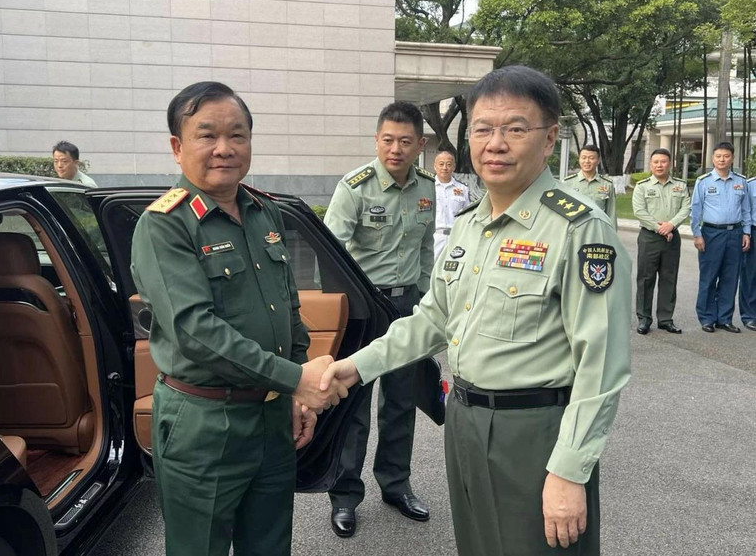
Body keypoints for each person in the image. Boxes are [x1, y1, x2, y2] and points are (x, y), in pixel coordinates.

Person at [320, 65, 631, 556]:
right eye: (484, 129)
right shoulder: (468, 225)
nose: (496, 143)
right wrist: (355, 368)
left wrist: (570, 470)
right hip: (463, 422)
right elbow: (433, 320)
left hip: (534, 434)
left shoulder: (578, 230)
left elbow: (603, 364)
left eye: (514, 128)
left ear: (549, 139)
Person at [130, 81, 346, 556]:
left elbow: (288, 308)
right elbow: (196, 333)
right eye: (207, 135)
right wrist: (296, 379)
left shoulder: (264, 210)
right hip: (203, 422)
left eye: (238, 135)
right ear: (177, 146)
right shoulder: (164, 224)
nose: (224, 149)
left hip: (270, 416)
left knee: (270, 545)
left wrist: (296, 395)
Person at [322, 101, 435, 537]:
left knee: (401, 403)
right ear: (376, 139)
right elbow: (332, 254)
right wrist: (348, 309)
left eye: (405, 141)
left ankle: (395, 484)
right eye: (388, 140)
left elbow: (426, 248)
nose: (395, 149)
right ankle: (345, 495)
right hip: (365, 309)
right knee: (354, 406)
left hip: (407, 305)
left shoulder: (427, 187)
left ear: (419, 144)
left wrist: (425, 299)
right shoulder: (356, 187)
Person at [690, 141, 752, 333]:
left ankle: (724, 318)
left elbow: (746, 209)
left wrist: (747, 232)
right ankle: (707, 318)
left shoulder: (741, 182)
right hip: (711, 233)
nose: (722, 159)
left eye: (726, 156)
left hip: (735, 233)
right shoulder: (704, 181)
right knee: (709, 277)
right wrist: (697, 234)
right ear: (713, 158)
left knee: (730, 277)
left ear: (732, 158)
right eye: (718, 156)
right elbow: (695, 211)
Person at [631, 148, 691, 335]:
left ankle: (665, 319)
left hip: (672, 238)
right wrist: (660, 228)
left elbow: (685, 208)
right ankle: (644, 319)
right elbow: (639, 211)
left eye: (663, 161)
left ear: (670, 164)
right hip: (650, 237)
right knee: (646, 279)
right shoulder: (642, 186)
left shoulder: (680, 186)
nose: (659, 165)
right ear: (651, 164)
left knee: (668, 279)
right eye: (655, 162)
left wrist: (670, 225)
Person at [563, 144, 617, 229]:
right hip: (574, 230)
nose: (587, 161)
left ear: (598, 160)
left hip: (598, 229)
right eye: (583, 158)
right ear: (579, 159)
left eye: (591, 158)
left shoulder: (607, 184)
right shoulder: (567, 183)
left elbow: (611, 213)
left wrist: (612, 236)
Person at [433, 151, 471, 258]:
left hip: (455, 237)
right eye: (441, 164)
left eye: (449, 164)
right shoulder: (428, 187)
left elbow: (466, 216)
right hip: (434, 237)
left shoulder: (462, 189)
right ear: (435, 166)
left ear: (453, 167)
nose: (445, 167)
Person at [739, 175, 756, 331]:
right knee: (750, 275)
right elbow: (745, 211)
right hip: (754, 232)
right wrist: (747, 233)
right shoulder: (750, 185)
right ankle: (749, 316)